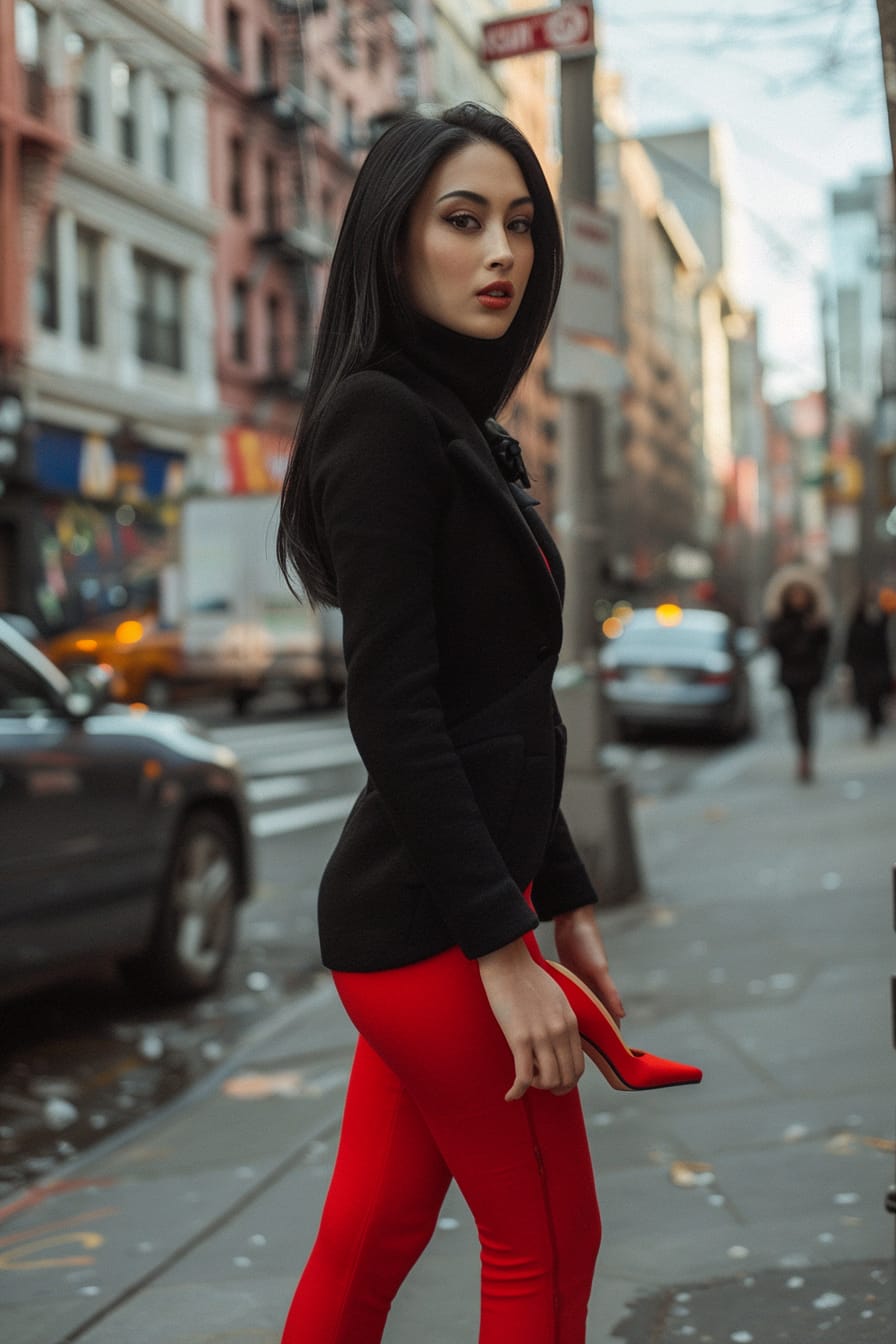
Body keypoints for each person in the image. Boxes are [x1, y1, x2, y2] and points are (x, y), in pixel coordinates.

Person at [276, 103, 701, 1344]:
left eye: (517, 223)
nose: (499, 252)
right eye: (461, 221)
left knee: (369, 1240)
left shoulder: (458, 426)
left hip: (434, 919)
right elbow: (395, 711)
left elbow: (500, 709)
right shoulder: (381, 421)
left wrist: (558, 899)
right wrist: (502, 950)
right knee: (547, 1243)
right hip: (431, 935)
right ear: (390, 242)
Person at [766, 574, 830, 782]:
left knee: (805, 715)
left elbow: (824, 644)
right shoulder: (782, 619)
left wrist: (816, 628)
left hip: (809, 674)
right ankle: (802, 752)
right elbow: (774, 642)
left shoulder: (814, 618)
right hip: (791, 675)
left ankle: (805, 755)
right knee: (796, 715)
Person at [845, 585, 892, 741]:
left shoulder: (882, 617)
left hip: (878, 663)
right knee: (868, 695)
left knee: (877, 693)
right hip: (863, 665)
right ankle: (873, 724)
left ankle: (876, 721)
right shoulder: (857, 619)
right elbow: (851, 642)